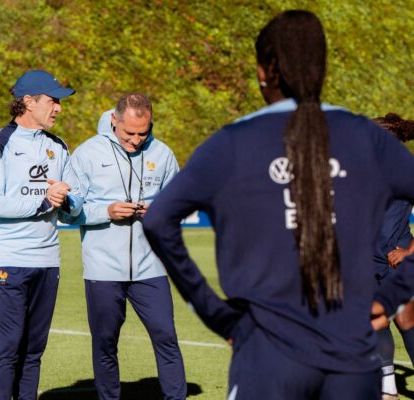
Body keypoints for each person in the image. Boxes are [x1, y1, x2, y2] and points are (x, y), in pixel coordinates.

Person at [142, 10, 414, 399]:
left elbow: (157, 220)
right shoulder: (365, 138)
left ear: (264, 70)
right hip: (352, 357)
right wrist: (391, 295)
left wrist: (217, 315)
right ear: (321, 67)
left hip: (267, 356)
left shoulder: (233, 142)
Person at [64, 94, 186, 400]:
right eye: (129, 133)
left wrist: (159, 211)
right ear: (114, 121)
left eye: (142, 133)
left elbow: (180, 206)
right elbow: (67, 213)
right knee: (105, 342)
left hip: (152, 266)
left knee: (166, 337)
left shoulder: (163, 153)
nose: (135, 140)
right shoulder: (87, 154)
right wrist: (105, 212)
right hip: (103, 270)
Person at [0, 69, 79, 400]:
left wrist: (69, 202)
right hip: (10, 258)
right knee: (9, 347)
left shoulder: (58, 146)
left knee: (34, 349)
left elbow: (70, 206)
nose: (58, 108)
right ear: (28, 102)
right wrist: (43, 201)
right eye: (52, 101)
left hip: (48, 259)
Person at [371, 113, 414, 400]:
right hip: (366, 260)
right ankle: (388, 387)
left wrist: (409, 252)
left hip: (396, 260)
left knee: (406, 321)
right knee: (375, 320)